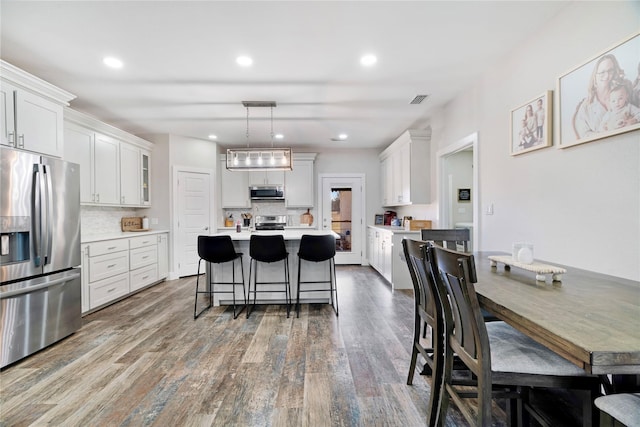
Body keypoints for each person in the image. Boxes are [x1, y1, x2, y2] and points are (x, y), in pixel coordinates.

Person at [572, 54, 626, 139]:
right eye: (602, 72)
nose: (607, 75)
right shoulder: (586, 106)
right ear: (595, 75)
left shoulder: (623, 93)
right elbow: (584, 135)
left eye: (610, 71)